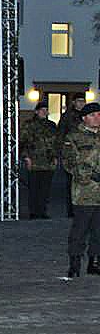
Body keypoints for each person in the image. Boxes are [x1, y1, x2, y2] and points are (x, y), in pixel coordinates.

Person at [61, 102, 100, 278]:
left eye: (99, 114)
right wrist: (89, 175)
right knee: (80, 229)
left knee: (98, 230)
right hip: (84, 192)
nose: (97, 118)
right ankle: (75, 263)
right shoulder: (74, 137)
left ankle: (94, 262)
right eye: (93, 115)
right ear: (84, 118)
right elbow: (69, 163)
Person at [20, 101, 59, 219]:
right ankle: (33, 211)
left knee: (45, 188)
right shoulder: (29, 125)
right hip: (34, 160)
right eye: (42, 110)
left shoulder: (52, 125)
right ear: (36, 112)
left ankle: (42, 211)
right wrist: (26, 157)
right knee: (34, 188)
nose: (44, 112)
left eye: (46, 110)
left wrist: (56, 156)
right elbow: (23, 142)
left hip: (48, 161)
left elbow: (56, 142)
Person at [58, 96, 86, 217]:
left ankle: (84, 209)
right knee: (72, 184)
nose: (82, 104)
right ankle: (72, 210)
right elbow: (61, 134)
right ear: (74, 102)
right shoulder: (67, 116)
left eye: (83, 101)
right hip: (72, 155)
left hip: (87, 155)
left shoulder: (88, 116)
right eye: (79, 101)